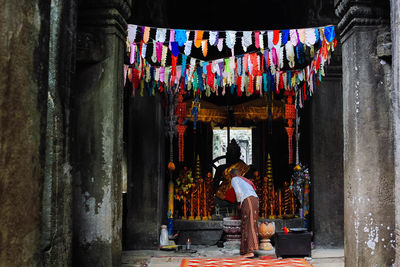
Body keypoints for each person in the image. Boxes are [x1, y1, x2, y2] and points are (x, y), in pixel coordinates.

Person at [230, 168, 259, 258]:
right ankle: (244, 249)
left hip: (248, 199)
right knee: (248, 223)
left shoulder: (234, 179)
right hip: (255, 199)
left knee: (249, 223)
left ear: (232, 175)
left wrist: (239, 203)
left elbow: (238, 192)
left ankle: (250, 250)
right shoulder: (245, 180)